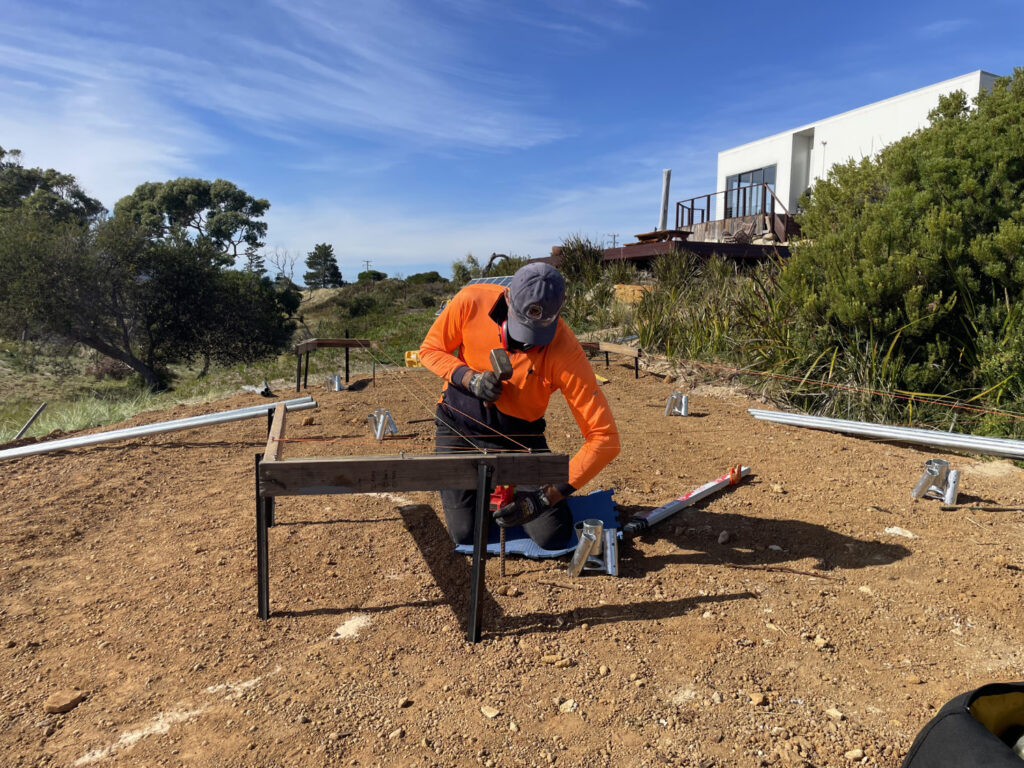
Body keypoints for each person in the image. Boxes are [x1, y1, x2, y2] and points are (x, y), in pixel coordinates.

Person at [419, 262, 620, 551]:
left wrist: (544, 498)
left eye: (537, 337)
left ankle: (507, 488)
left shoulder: (566, 351)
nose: (526, 345)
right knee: (465, 533)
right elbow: (430, 350)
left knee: (552, 535)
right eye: (519, 330)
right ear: (508, 299)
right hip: (458, 427)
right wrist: (469, 379)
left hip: (520, 439)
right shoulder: (471, 300)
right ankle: (484, 488)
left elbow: (605, 439)